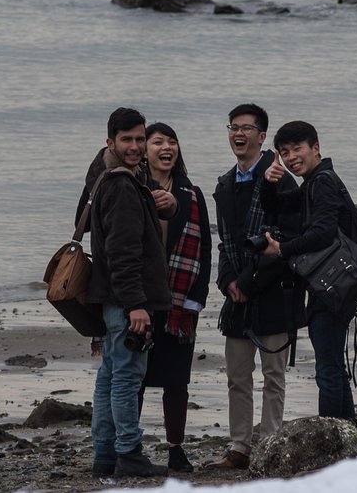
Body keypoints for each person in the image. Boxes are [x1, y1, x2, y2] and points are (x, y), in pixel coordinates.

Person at [206, 103, 302, 471]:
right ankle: (239, 447)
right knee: (237, 375)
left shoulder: (279, 178)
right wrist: (228, 281)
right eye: (233, 127)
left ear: (262, 137)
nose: (238, 134)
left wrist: (248, 282)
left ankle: (271, 445)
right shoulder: (225, 183)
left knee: (273, 375)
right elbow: (224, 241)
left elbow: (286, 239)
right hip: (237, 295)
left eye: (246, 128)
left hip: (275, 289)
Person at [83, 107, 174, 479]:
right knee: (125, 378)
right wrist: (137, 304)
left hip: (111, 299)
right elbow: (124, 253)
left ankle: (105, 455)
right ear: (111, 142)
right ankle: (129, 453)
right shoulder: (122, 185)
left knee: (109, 376)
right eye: (128, 140)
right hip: (126, 302)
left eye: (140, 138)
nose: (136, 146)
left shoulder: (105, 176)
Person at [261, 120, 357, 419]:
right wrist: (269, 181)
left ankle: (334, 443)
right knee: (334, 368)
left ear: (316, 148)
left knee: (327, 370)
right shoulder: (313, 183)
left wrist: (283, 249)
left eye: (297, 149)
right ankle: (347, 438)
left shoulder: (323, 182)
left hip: (332, 288)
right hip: (334, 285)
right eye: (285, 152)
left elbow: (323, 234)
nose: (291, 158)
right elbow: (275, 206)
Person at [137, 122, 211, 473]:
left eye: (172, 142)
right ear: (144, 150)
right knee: (134, 375)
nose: (166, 148)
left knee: (177, 379)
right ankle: (129, 444)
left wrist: (198, 298)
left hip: (181, 300)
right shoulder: (131, 187)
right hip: (140, 298)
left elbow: (207, 252)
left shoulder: (192, 193)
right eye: (157, 142)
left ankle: (176, 448)